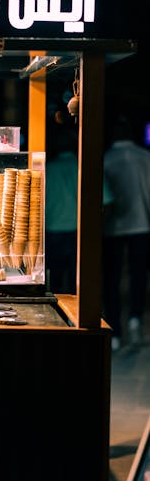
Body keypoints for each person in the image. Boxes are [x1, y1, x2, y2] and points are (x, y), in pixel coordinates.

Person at [45, 125, 113, 295]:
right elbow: (107, 202)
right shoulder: (85, 168)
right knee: (79, 286)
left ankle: (57, 319)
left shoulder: (48, 169)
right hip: (80, 233)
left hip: (52, 232)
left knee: (54, 284)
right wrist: (99, 229)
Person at [103, 115, 150, 351]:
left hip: (113, 226)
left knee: (112, 278)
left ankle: (115, 330)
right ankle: (135, 317)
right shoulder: (145, 157)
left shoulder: (106, 159)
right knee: (138, 274)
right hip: (141, 223)